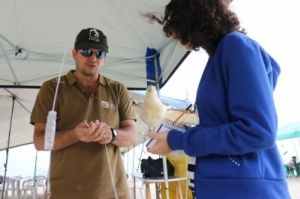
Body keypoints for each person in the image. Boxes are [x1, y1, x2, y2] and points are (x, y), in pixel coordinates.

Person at [145, 0, 291, 198]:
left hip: (245, 191)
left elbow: (258, 131)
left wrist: (178, 139)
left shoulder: (236, 47)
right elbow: (225, 126)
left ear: (194, 19)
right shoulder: (222, 54)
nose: (176, 36)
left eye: (178, 25)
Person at [30, 27, 137, 199]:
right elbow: (40, 141)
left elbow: (132, 136)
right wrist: (75, 135)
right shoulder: (52, 88)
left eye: (100, 53)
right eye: (86, 51)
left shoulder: (118, 89)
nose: (93, 58)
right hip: (66, 193)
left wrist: (111, 134)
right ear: (74, 52)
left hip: (113, 193)